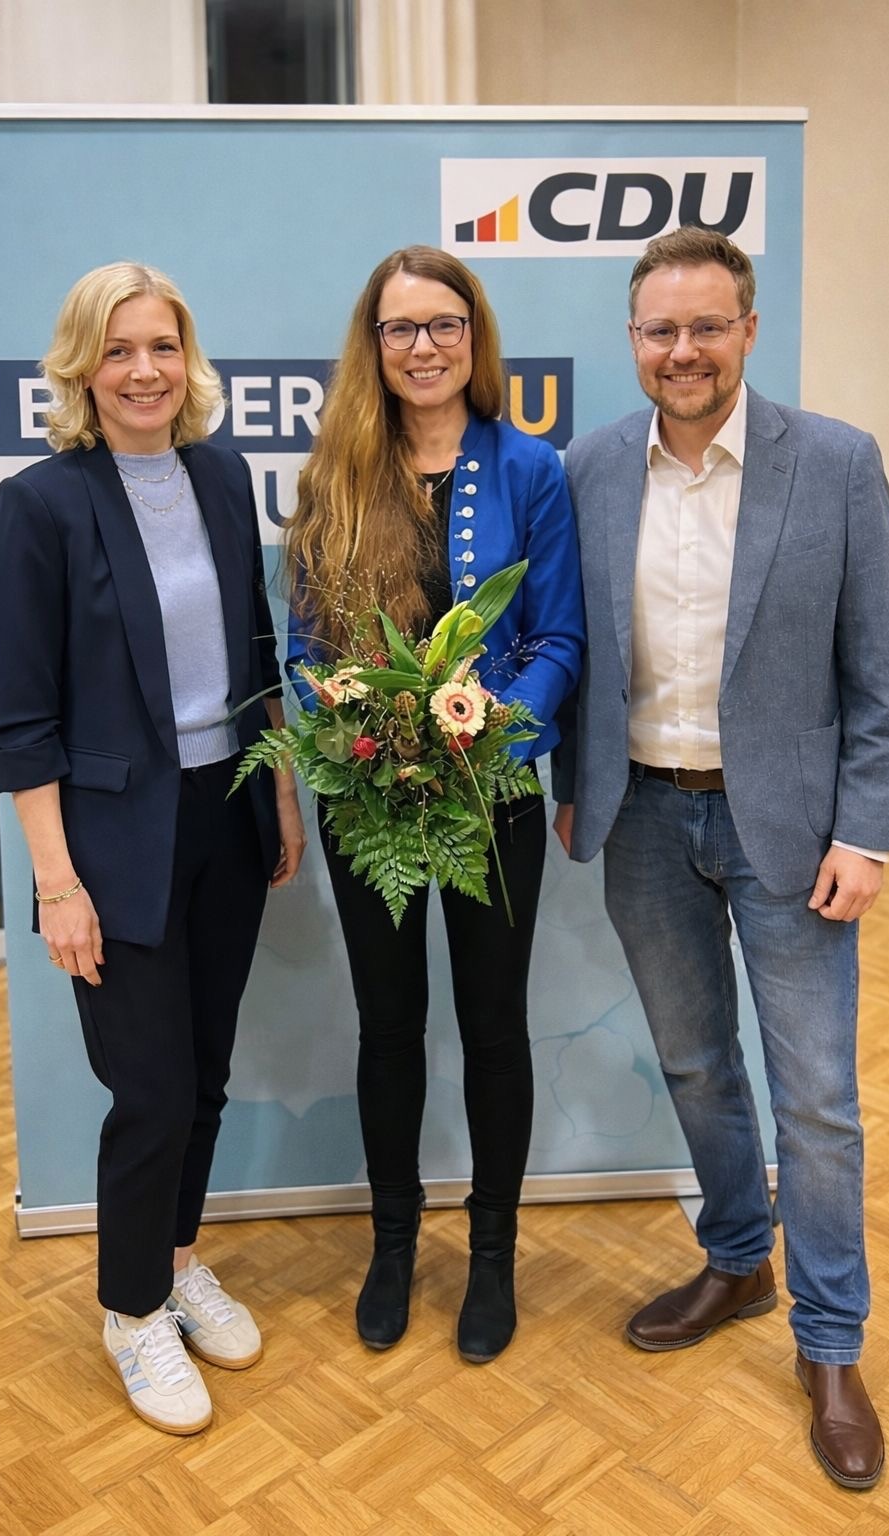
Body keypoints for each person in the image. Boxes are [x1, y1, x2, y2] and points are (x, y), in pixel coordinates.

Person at [553, 227, 889, 1489]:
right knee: (697, 1064)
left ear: (748, 331)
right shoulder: (589, 469)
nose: (683, 350)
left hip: (794, 834)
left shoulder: (835, 463)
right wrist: (567, 784)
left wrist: (868, 829)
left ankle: (829, 1345)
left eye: (707, 326)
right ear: (634, 341)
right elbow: (569, 650)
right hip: (642, 820)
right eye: (660, 329)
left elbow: (880, 680)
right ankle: (737, 1256)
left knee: (815, 1101)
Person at [0, 262, 305, 1435]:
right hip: (112, 839)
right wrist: (56, 882)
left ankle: (172, 1264)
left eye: (162, 347)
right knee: (151, 1088)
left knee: (204, 1076)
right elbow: (20, 718)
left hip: (226, 810)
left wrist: (275, 795)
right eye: (117, 351)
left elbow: (256, 647)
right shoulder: (43, 505)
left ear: (189, 359)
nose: (143, 371)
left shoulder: (220, 475)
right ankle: (128, 1313)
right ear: (80, 368)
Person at [285, 245, 584, 1363]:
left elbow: (557, 638)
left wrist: (487, 727)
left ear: (474, 337)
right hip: (365, 800)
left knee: (494, 1028)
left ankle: (493, 1254)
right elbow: (304, 645)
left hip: (490, 797)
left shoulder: (530, 468)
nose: (424, 347)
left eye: (444, 325)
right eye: (402, 328)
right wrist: (346, 724)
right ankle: (395, 1243)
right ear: (375, 345)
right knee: (389, 1027)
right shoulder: (333, 476)